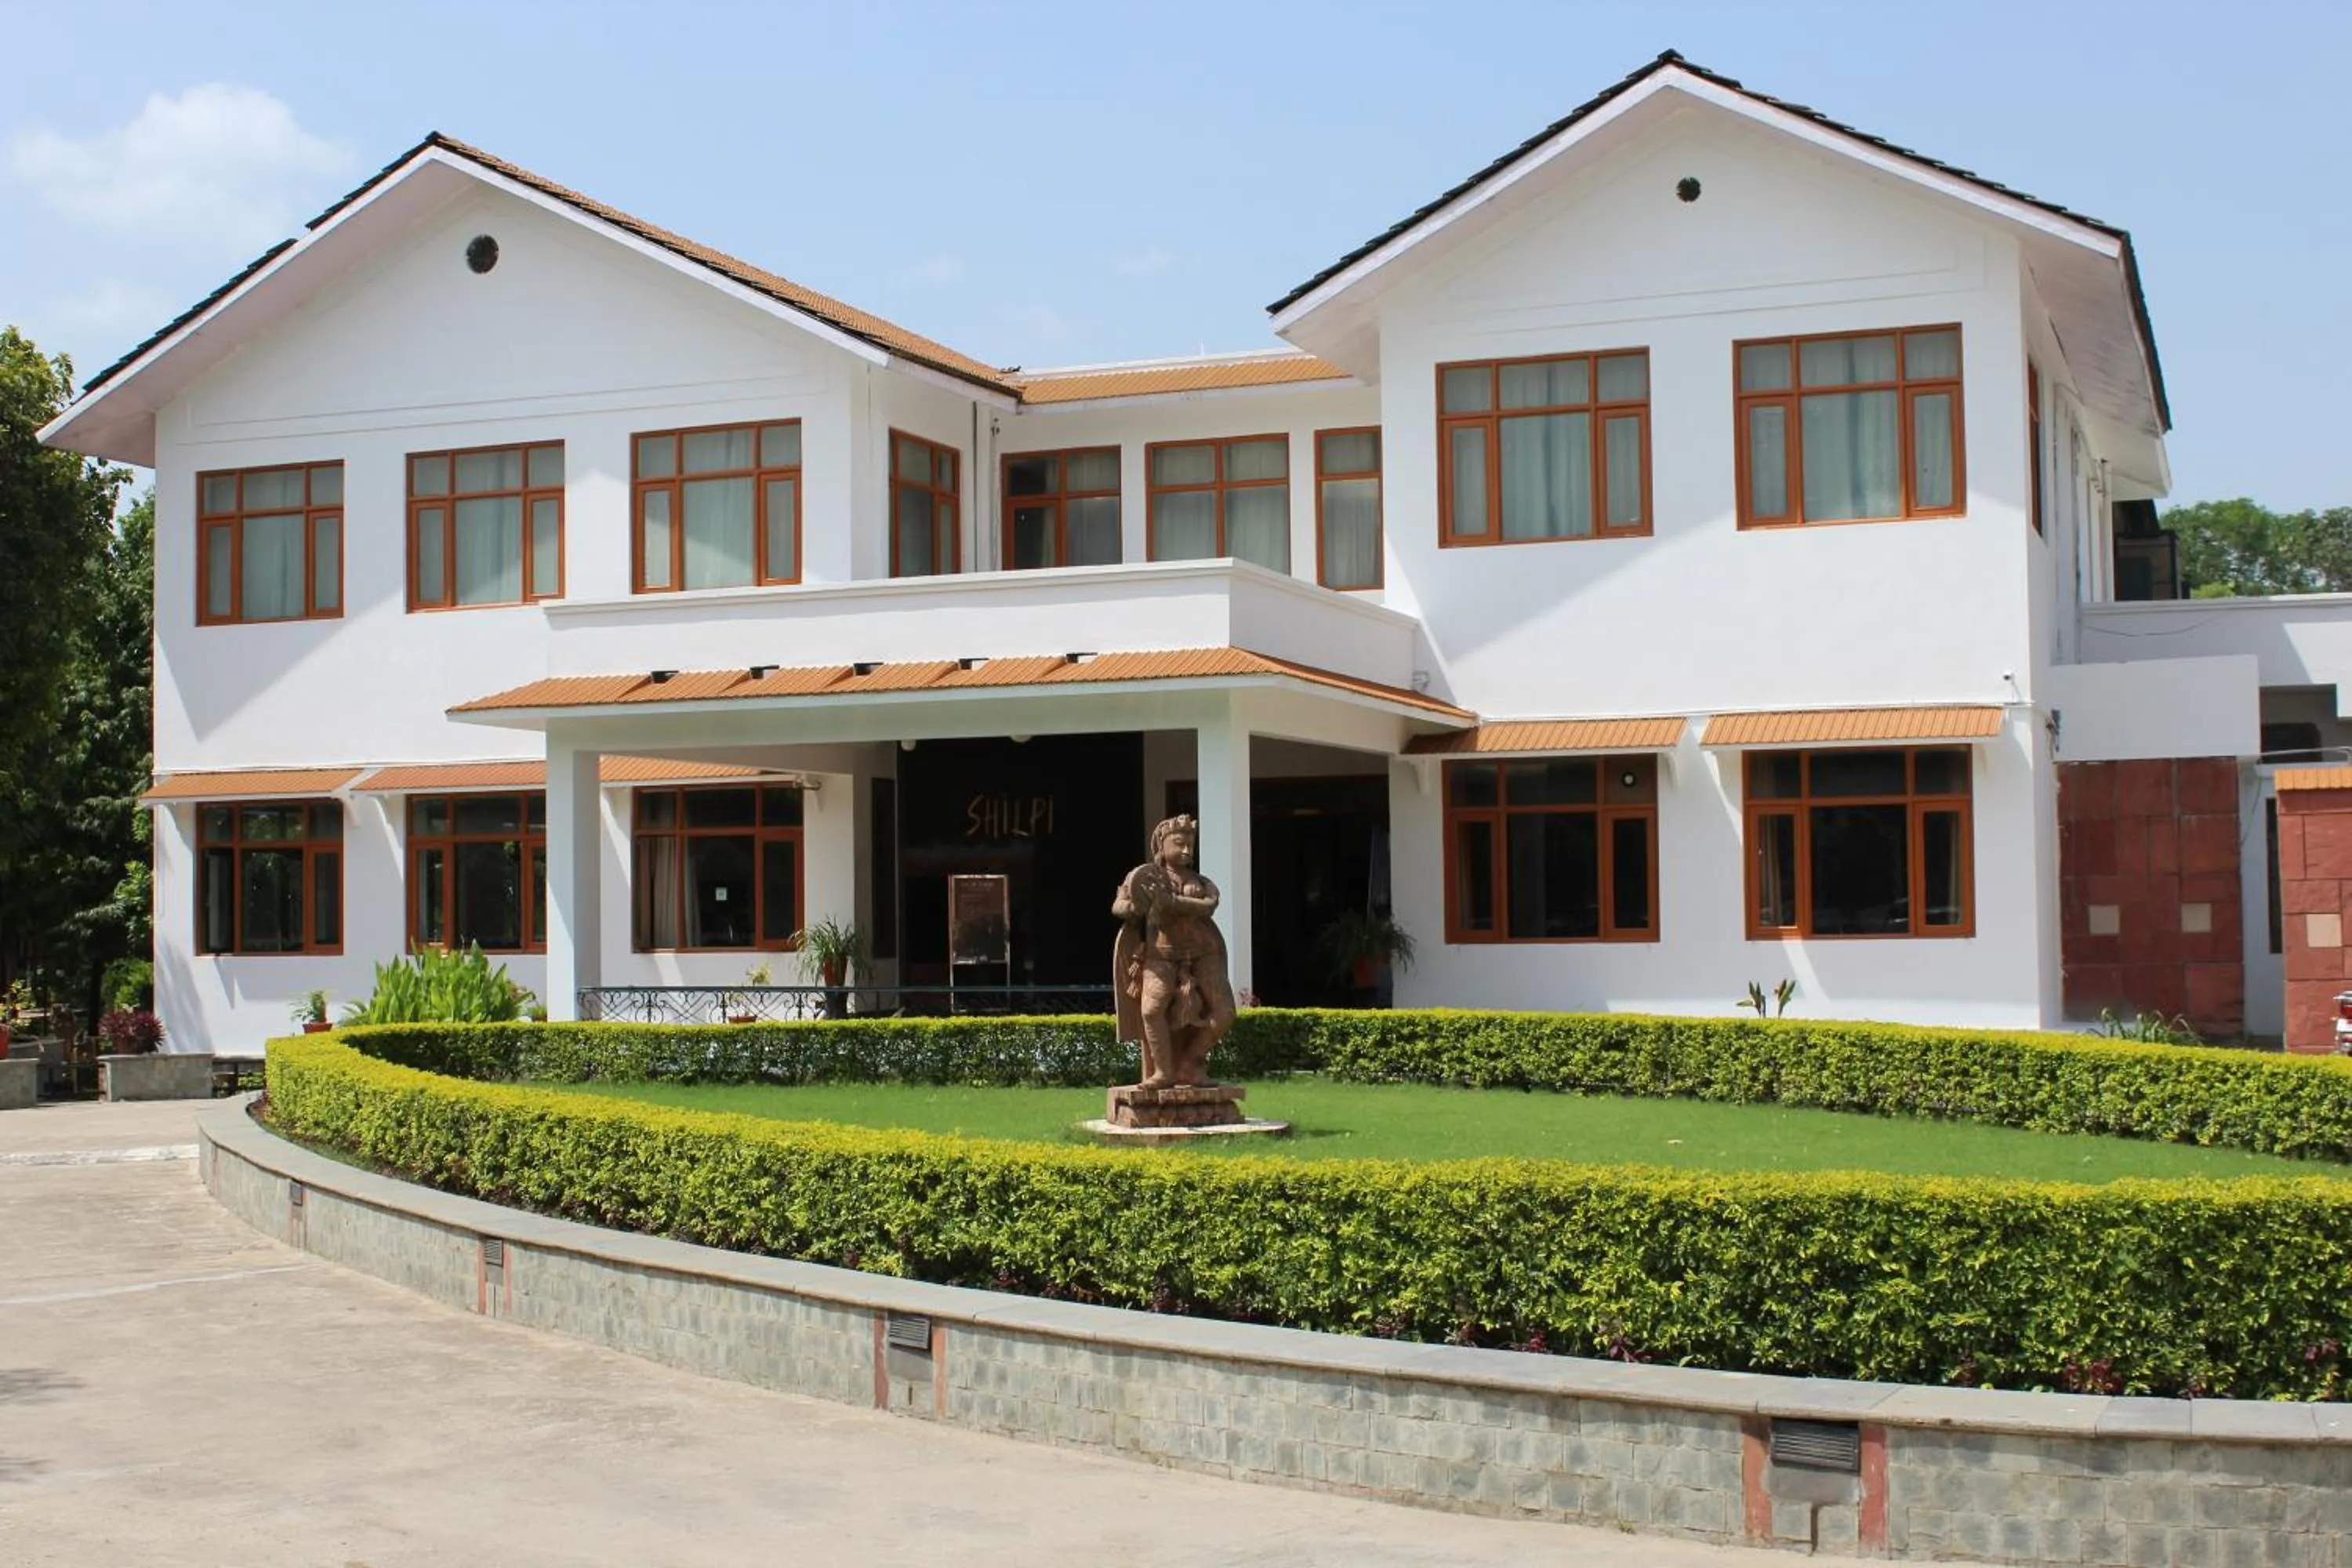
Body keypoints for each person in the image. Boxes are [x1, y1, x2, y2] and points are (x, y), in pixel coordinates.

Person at [1112, 815, 1236, 1086]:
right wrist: (1137, 908)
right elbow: (1118, 906)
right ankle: (1163, 1071)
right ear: (1161, 844)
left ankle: (1191, 1062)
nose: (1186, 850)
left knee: (1225, 1011)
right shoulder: (1144, 878)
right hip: (1161, 954)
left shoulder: (1202, 882)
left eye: (1190, 844)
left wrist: (1172, 902)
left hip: (1203, 952)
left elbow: (1209, 905)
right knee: (1151, 1011)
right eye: (1179, 843)